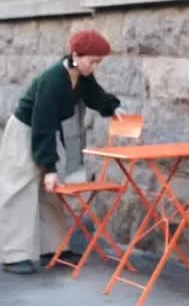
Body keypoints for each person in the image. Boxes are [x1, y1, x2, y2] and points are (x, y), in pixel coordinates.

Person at [0, 29, 120, 276]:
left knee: (50, 192)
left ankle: (54, 249)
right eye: (92, 61)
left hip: (41, 131)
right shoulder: (53, 80)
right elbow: (42, 126)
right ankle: (14, 255)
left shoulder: (81, 76)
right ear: (76, 55)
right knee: (19, 189)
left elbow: (94, 95)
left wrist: (112, 107)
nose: (94, 67)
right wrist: (50, 167)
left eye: (98, 62)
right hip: (25, 130)